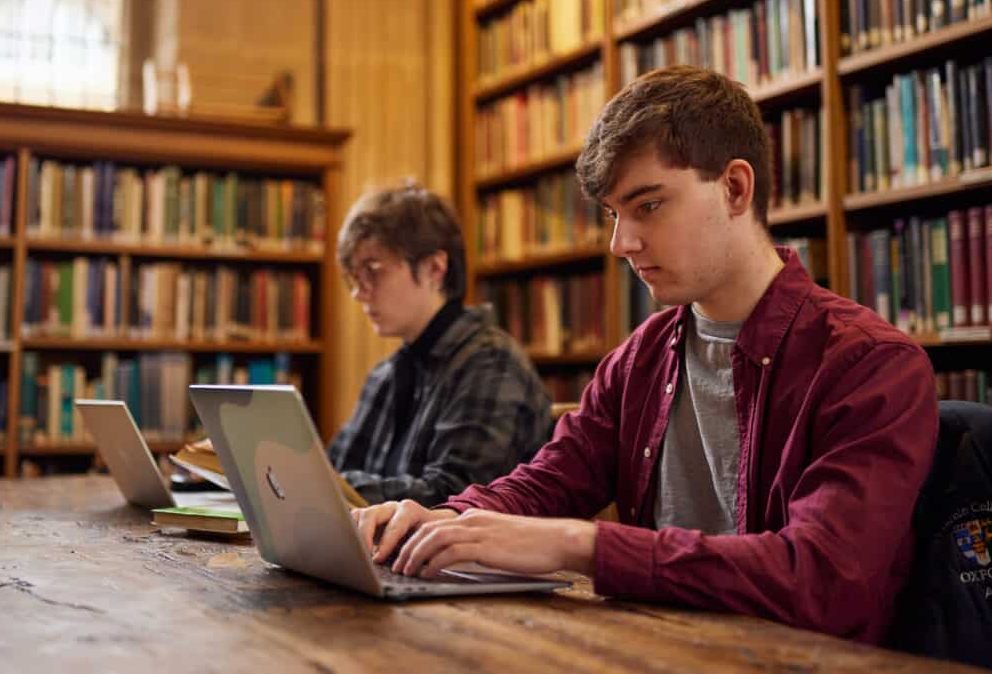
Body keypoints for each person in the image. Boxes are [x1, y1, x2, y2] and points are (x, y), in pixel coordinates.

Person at [351, 66, 939, 644]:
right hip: (658, 650)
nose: (620, 243)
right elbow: (546, 482)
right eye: (613, 214)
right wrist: (448, 520)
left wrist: (579, 544)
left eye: (648, 206)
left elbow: (822, 581)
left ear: (735, 188)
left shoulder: (871, 366)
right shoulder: (640, 358)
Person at [326, 180, 553, 507]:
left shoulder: (492, 363)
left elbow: (456, 497)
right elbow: (333, 471)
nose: (358, 293)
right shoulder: (385, 375)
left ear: (434, 268)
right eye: (354, 277)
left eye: (373, 272)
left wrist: (328, 486)